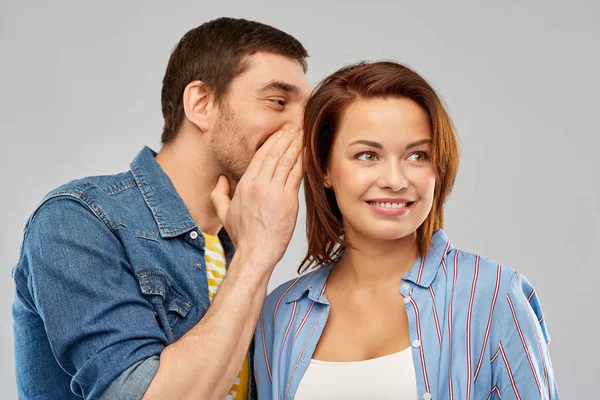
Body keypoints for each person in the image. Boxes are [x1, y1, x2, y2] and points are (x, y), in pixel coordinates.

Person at [12, 17, 312, 400]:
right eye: (279, 102)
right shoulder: (78, 219)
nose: (302, 128)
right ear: (201, 104)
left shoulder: (238, 241)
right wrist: (256, 257)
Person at [255, 61, 559, 400]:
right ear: (325, 168)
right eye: (367, 155)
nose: (396, 181)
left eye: (417, 156)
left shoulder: (492, 297)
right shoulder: (282, 311)